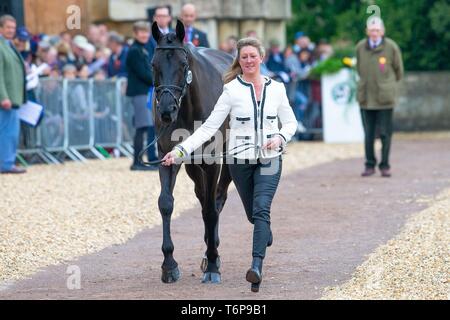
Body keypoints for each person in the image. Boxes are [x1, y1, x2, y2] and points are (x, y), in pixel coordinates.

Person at [161, 37, 297, 292]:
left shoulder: (277, 89)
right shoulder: (231, 91)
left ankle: (256, 267)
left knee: (261, 210)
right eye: (244, 57)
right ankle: (262, 228)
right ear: (239, 61)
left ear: (261, 58)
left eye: (253, 56)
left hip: (269, 160)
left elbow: (290, 123)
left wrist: (280, 136)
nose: (248, 61)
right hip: (239, 160)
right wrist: (180, 150)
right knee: (253, 215)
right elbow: (209, 127)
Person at [356, 16, 404, 177]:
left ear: (382, 31)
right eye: (371, 30)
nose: (374, 33)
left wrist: (387, 85)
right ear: (367, 31)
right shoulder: (360, 47)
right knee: (368, 134)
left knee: (385, 133)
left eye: (377, 30)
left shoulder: (391, 47)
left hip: (385, 99)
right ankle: (369, 165)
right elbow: (359, 70)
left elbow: (399, 71)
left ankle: (385, 165)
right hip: (366, 98)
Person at [126, 21, 158, 171]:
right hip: (139, 92)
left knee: (145, 126)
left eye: (146, 32)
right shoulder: (134, 51)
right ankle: (137, 162)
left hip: (145, 92)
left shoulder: (143, 49)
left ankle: (139, 161)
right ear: (135, 34)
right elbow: (144, 73)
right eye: (141, 32)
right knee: (142, 127)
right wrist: (158, 80)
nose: (144, 35)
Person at [0, 15, 27, 174]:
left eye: (13, 27)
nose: (11, 30)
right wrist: (3, 96)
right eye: (8, 27)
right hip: (6, 98)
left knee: (10, 132)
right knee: (8, 132)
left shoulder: (9, 45)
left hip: (13, 97)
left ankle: (6, 162)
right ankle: (6, 163)